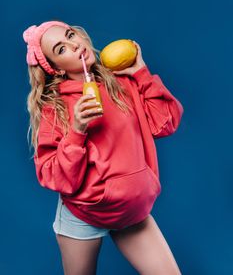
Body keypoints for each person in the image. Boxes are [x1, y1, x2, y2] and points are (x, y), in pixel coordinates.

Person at [22, 20, 184, 275]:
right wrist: (77, 130)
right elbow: (52, 175)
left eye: (71, 35)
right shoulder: (58, 108)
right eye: (61, 49)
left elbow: (166, 123)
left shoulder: (122, 83)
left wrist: (141, 73)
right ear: (56, 70)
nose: (74, 45)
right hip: (83, 215)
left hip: (129, 211)